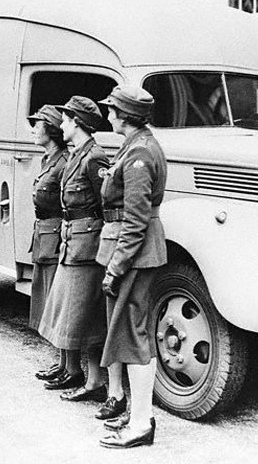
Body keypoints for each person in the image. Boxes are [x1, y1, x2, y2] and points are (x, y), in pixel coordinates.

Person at [95, 85, 167, 449]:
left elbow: (136, 221)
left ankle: (140, 424)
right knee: (132, 334)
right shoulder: (137, 145)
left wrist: (115, 267)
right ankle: (139, 415)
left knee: (136, 338)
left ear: (124, 116)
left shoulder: (139, 153)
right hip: (136, 253)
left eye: (112, 110)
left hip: (134, 255)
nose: (108, 114)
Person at [37, 96, 109, 405]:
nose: (61, 125)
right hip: (73, 242)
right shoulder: (79, 153)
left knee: (87, 320)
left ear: (77, 123)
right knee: (75, 317)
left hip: (88, 246)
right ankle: (83, 376)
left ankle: (94, 382)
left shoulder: (94, 157)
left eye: (65, 120)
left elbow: (106, 207)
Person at [27, 105, 69, 382]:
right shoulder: (48, 159)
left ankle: (68, 365)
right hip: (44, 235)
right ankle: (63, 364)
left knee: (59, 304)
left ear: (51, 130)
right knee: (49, 302)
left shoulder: (63, 162)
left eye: (38, 124)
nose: (33, 129)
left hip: (55, 238)